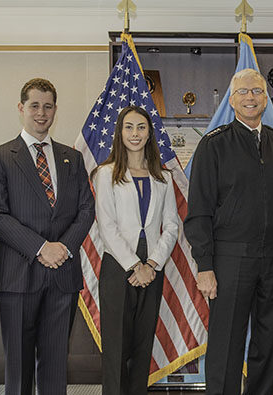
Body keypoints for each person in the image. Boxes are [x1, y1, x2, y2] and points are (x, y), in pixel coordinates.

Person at [185, 68, 273, 395]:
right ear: (232, 100)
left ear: (265, 99)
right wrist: (205, 265)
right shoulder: (214, 145)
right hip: (229, 261)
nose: (250, 97)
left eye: (257, 91)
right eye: (243, 92)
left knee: (267, 343)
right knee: (226, 344)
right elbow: (199, 211)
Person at [0, 78, 95, 395]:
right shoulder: (1, 157)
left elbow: (86, 209)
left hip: (63, 276)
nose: (41, 113)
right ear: (21, 108)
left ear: (55, 110)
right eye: (34, 105)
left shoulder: (72, 158)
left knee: (56, 362)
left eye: (48, 106)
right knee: (18, 366)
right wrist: (41, 247)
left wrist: (64, 248)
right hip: (19, 276)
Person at [92, 106, 180, 395]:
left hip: (152, 269)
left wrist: (152, 264)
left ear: (149, 133)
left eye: (141, 127)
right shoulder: (105, 174)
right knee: (117, 348)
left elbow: (171, 226)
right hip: (119, 268)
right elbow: (107, 226)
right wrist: (134, 266)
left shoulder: (163, 178)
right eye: (128, 127)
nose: (135, 133)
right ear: (119, 132)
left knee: (143, 347)